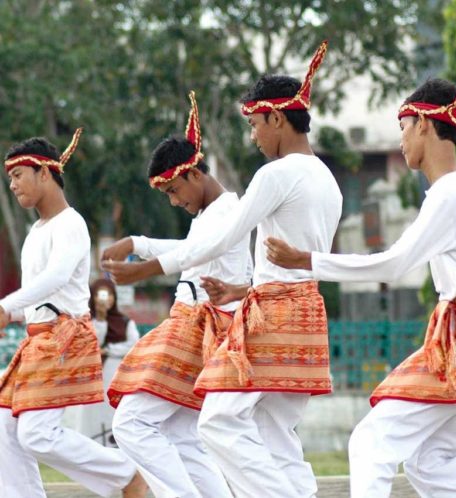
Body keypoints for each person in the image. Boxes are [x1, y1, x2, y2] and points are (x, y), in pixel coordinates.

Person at [265, 59, 456, 498]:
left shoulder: (449, 195)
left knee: (370, 442)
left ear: (424, 123)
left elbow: (392, 264)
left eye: (403, 127)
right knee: (433, 463)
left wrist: (308, 261)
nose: (400, 139)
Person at [104, 42, 342, 498]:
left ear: (276, 118)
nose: (253, 136)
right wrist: (237, 286)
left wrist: (148, 265)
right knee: (276, 438)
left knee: (216, 424)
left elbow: (223, 236)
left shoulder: (276, 175)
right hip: (306, 311)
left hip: (272, 314)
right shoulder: (326, 179)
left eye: (254, 124)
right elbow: (305, 259)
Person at [100, 92, 246, 498]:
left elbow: (193, 253)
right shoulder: (211, 214)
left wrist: (140, 268)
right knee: (182, 435)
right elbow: (188, 250)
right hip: (194, 325)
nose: (174, 200)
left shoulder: (229, 212)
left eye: (173, 190)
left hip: (198, 325)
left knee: (130, 423)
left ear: (195, 175)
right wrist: (138, 242)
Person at [0, 130, 146, 497]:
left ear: (45, 173)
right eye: (10, 178)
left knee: (36, 433)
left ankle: (127, 474)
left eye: (18, 175)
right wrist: (13, 316)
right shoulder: (35, 231)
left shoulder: (71, 223)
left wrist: (5, 306)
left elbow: (58, 278)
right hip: (40, 338)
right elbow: (44, 299)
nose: (13, 185)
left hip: (65, 338)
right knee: (3, 424)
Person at [64, 278, 139, 446]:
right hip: (92, 376)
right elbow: (92, 343)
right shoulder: (86, 321)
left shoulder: (124, 322)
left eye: (109, 294)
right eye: (101, 295)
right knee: (90, 414)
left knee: (113, 412)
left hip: (114, 375)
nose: (106, 299)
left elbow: (133, 345)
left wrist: (109, 350)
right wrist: (101, 318)